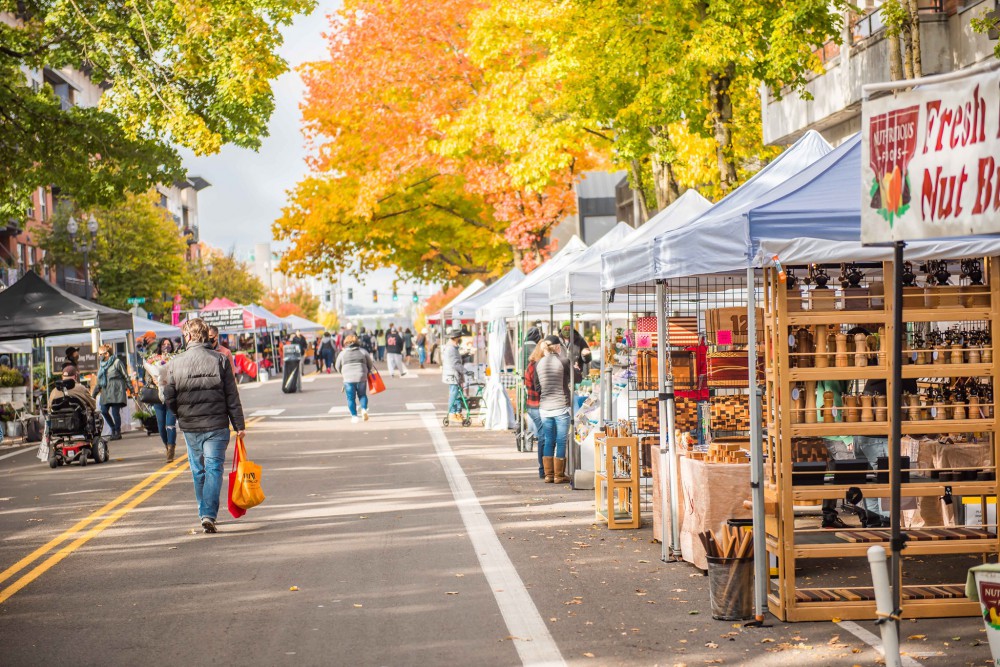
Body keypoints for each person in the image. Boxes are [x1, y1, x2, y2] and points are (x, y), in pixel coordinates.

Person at [162, 318, 246, 534]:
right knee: (214, 468)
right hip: (216, 424)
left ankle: (205, 512)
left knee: (198, 470)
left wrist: (178, 413)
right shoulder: (220, 360)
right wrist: (239, 424)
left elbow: (169, 396)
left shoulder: (175, 362)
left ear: (188, 336)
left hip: (191, 425)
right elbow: (231, 395)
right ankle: (208, 514)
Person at [537, 335, 571, 483]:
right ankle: (559, 475)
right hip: (560, 406)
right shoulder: (563, 361)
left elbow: (537, 385)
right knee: (561, 440)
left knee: (549, 440)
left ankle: (548, 475)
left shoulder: (539, 363)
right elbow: (575, 378)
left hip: (544, 407)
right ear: (558, 347)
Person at [144, 338, 179, 461]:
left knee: (170, 424)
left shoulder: (175, 359)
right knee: (160, 425)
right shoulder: (153, 360)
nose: (166, 346)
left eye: (168, 344)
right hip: (157, 397)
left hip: (171, 395)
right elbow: (147, 377)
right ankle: (167, 445)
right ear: (160, 346)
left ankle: (171, 449)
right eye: (164, 344)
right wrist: (153, 380)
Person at [92, 344, 129, 441]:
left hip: (116, 390)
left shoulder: (117, 362)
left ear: (107, 354)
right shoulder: (102, 365)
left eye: (101, 354)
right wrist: (94, 393)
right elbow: (99, 381)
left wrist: (131, 389)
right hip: (106, 390)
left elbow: (125, 376)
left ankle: (117, 431)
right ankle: (113, 428)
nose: (99, 356)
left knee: (115, 412)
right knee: (104, 411)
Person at [335, 334, 375, 423]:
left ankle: (354, 416)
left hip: (348, 378)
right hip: (361, 377)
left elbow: (337, 366)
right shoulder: (363, 351)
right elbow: (370, 364)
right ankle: (364, 409)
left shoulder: (343, 353)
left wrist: (343, 373)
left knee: (350, 398)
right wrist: (366, 372)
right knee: (362, 395)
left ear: (346, 343)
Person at [525, 339, 549, 479]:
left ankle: (546, 468)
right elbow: (537, 387)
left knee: (544, 436)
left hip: (535, 404)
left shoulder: (533, 364)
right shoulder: (535, 366)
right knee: (544, 436)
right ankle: (543, 469)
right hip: (536, 405)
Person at [442, 328, 465, 420]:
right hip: (452, 375)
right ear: (456, 338)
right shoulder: (451, 348)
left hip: (455, 374)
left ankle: (457, 412)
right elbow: (455, 363)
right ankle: (452, 413)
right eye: (459, 337)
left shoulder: (453, 347)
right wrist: (465, 371)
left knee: (458, 393)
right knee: (454, 393)